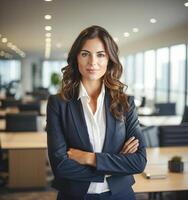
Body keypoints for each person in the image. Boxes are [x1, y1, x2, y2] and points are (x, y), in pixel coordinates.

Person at [46, 25, 147, 200]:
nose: (93, 62)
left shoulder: (125, 103)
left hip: (120, 195)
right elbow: (60, 165)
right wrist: (114, 166)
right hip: (75, 196)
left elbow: (138, 162)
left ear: (109, 59)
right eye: (85, 54)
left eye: (100, 54)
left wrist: (89, 158)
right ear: (76, 58)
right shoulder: (58, 104)